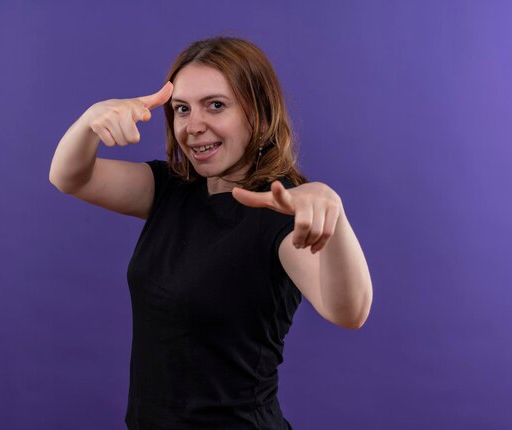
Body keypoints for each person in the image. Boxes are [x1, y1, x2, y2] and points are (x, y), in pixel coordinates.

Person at [49, 36, 373, 430]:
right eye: (182, 109)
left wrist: (331, 212)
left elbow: (349, 311)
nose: (194, 126)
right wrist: (89, 121)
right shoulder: (172, 189)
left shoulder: (279, 210)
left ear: (258, 112)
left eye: (216, 105)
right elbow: (69, 176)